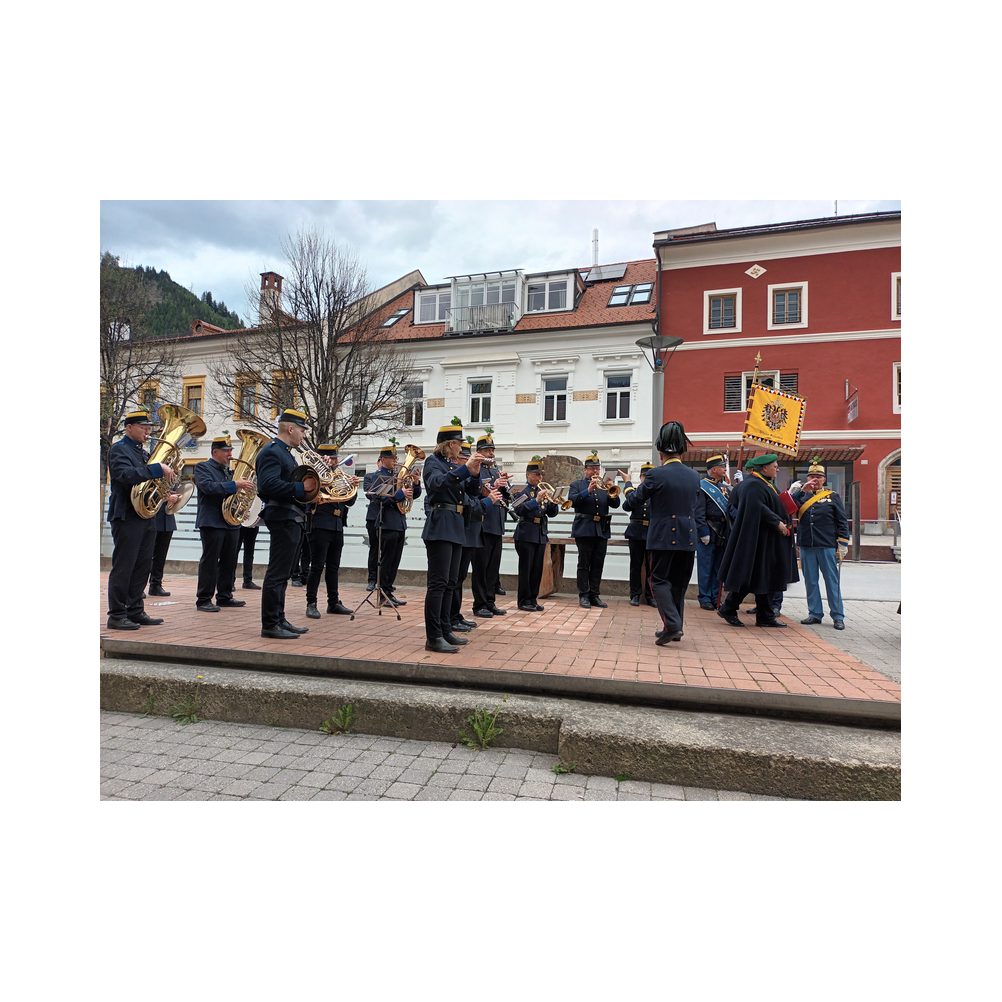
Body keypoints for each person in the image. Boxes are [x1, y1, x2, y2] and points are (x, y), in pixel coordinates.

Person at [422, 424, 493, 653]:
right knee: (438, 584)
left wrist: (475, 473)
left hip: (455, 527)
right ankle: (433, 636)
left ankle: (445, 629)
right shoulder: (433, 462)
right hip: (441, 525)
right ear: (451, 444)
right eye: (459, 444)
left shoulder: (453, 465)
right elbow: (437, 484)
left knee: (450, 583)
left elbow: (471, 492)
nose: (461, 448)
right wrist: (465, 469)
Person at [630, 422, 701, 645]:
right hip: (687, 536)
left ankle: (672, 625)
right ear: (681, 452)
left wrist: (628, 487)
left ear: (661, 454)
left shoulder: (655, 474)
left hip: (663, 537)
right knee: (678, 584)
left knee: (658, 581)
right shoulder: (694, 475)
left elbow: (634, 501)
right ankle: (674, 627)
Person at [106, 410, 177, 630]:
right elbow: (126, 475)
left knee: (142, 567)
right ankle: (117, 615)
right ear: (129, 428)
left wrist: (165, 493)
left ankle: (135, 611)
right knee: (124, 567)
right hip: (127, 516)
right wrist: (157, 468)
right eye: (144, 428)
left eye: (149, 428)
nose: (148, 432)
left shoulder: (143, 452)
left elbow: (147, 483)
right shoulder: (119, 449)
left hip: (146, 516)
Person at [717, 454, 799, 628]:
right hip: (758, 539)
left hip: (766, 539)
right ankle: (729, 608)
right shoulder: (753, 484)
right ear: (764, 468)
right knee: (752, 576)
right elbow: (756, 507)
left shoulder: (764, 483)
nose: (777, 470)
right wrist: (776, 522)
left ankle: (765, 615)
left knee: (764, 576)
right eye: (775, 466)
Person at [256, 409, 317, 640]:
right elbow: (268, 484)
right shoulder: (272, 452)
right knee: (277, 573)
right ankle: (270, 623)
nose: (304, 435)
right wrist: (302, 488)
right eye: (302, 430)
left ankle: (279, 619)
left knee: (284, 573)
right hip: (283, 516)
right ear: (290, 429)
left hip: (291, 516)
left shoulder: (286, 453)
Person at [193, 436, 255, 612]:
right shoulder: (203, 467)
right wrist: (235, 484)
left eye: (231, 450)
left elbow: (232, 496)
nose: (230, 454)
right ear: (215, 452)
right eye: (226, 451)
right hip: (212, 521)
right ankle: (204, 599)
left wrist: (240, 509)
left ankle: (225, 596)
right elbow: (208, 487)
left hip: (230, 522)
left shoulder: (228, 471)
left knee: (230, 560)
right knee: (210, 561)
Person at [790, 459, 849, 630]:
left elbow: (842, 521)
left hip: (826, 544)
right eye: (811, 477)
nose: (814, 480)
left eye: (818, 477)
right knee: (811, 581)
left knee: (831, 581)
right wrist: (799, 492)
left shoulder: (832, 497)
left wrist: (843, 543)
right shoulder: (802, 496)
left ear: (824, 479)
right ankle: (815, 613)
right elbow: (787, 509)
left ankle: (837, 615)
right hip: (807, 544)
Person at [302, 443, 360, 618]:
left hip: (336, 524)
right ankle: (311, 603)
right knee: (317, 566)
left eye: (336, 458)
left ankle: (333, 602)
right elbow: (309, 495)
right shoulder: (313, 475)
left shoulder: (338, 476)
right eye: (333, 458)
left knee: (333, 567)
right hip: (320, 524)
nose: (336, 461)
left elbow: (349, 502)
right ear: (324, 459)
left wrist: (354, 487)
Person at [450, 443, 501, 631]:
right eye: (466, 459)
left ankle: (455, 615)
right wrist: (488, 499)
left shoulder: (471, 478)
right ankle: (452, 616)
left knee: (460, 576)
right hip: (463, 530)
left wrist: (487, 494)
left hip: (473, 530)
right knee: (455, 577)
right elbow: (470, 504)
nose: (469, 463)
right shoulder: (454, 478)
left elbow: (473, 497)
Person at [363, 445, 418, 607]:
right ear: (383, 459)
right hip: (386, 523)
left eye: (396, 458)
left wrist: (415, 483)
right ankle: (383, 594)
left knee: (395, 561)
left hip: (399, 523)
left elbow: (413, 495)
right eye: (392, 458)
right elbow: (380, 499)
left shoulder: (398, 476)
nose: (395, 460)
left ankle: (388, 590)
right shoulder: (378, 477)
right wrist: (400, 494)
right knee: (386, 560)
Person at [569, 452, 621, 608]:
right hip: (584, 528)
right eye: (592, 469)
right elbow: (572, 501)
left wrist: (611, 488)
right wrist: (588, 491)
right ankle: (583, 595)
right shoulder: (577, 485)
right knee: (584, 564)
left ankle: (594, 595)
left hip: (601, 529)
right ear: (585, 470)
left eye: (597, 468)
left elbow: (615, 504)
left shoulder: (604, 486)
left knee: (598, 564)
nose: (595, 471)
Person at [511, 458, 559, 612]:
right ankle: (523, 601)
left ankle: (532, 599)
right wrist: (536, 500)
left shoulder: (542, 490)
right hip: (526, 533)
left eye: (541, 474)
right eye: (537, 474)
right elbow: (519, 510)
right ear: (528, 474)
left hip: (540, 533)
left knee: (537, 569)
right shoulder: (520, 490)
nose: (540, 477)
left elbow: (551, 513)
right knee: (526, 569)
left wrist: (554, 502)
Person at [471, 432, 510, 618]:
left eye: (492, 450)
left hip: (496, 525)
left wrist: (505, 484)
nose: (491, 453)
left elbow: (505, 498)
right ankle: (479, 604)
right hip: (483, 525)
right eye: (487, 450)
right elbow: (475, 494)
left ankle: (490, 601)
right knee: (481, 568)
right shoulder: (476, 469)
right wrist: (495, 484)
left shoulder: (495, 470)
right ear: (479, 452)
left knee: (493, 568)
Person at [695, 454, 730, 610]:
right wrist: (703, 532)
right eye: (722, 467)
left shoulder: (723, 487)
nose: (725, 469)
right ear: (714, 469)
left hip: (723, 531)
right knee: (706, 567)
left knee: (718, 567)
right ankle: (704, 597)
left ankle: (716, 597)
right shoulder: (702, 486)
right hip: (709, 529)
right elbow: (698, 512)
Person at [621, 462, 656, 606]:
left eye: (649, 476)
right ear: (641, 477)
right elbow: (626, 506)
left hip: (652, 533)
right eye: (644, 476)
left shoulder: (657, 494)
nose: (646, 478)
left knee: (651, 567)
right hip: (636, 532)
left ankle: (650, 596)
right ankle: (635, 594)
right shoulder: (635, 492)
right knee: (635, 566)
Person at [147, 491, 177, 597]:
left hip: (167, 519)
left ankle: (155, 585)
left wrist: (176, 497)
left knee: (160, 556)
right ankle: (138, 588)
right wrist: (165, 497)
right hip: (152, 516)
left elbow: (175, 490)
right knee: (145, 556)